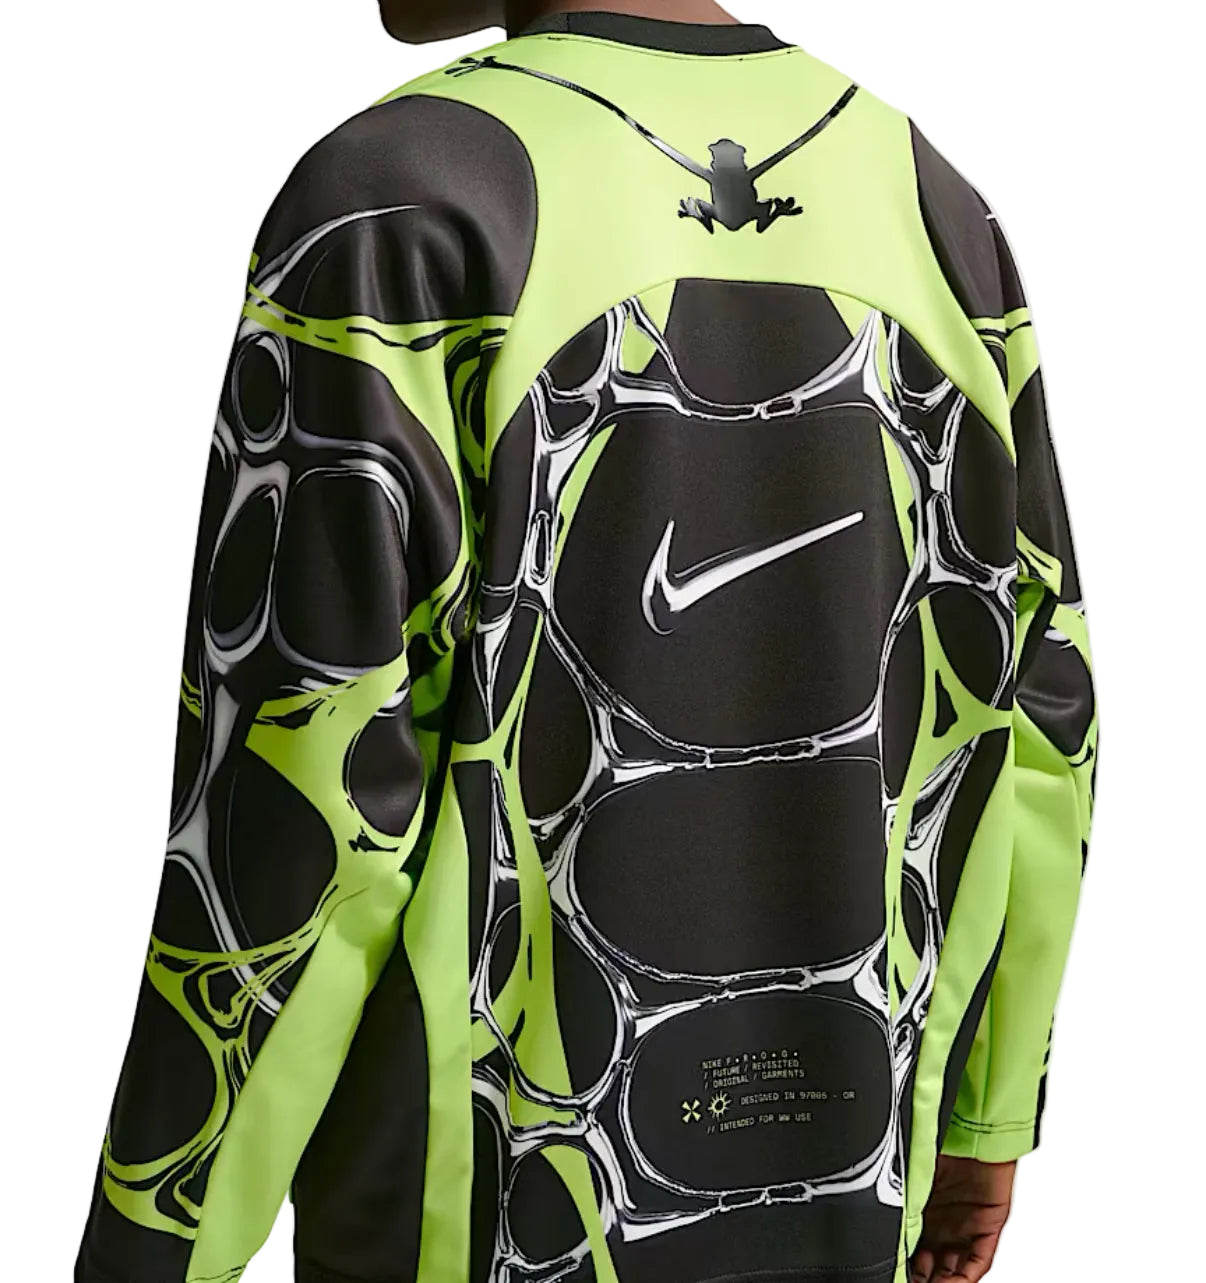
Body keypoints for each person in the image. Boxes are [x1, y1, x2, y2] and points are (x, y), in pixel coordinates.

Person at [74, 3, 1098, 1282]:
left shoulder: (396, 206)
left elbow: (298, 809)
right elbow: (1044, 722)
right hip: (857, 1186)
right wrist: (985, 1121)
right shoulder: (935, 209)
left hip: (480, 1226)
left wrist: (153, 1240)